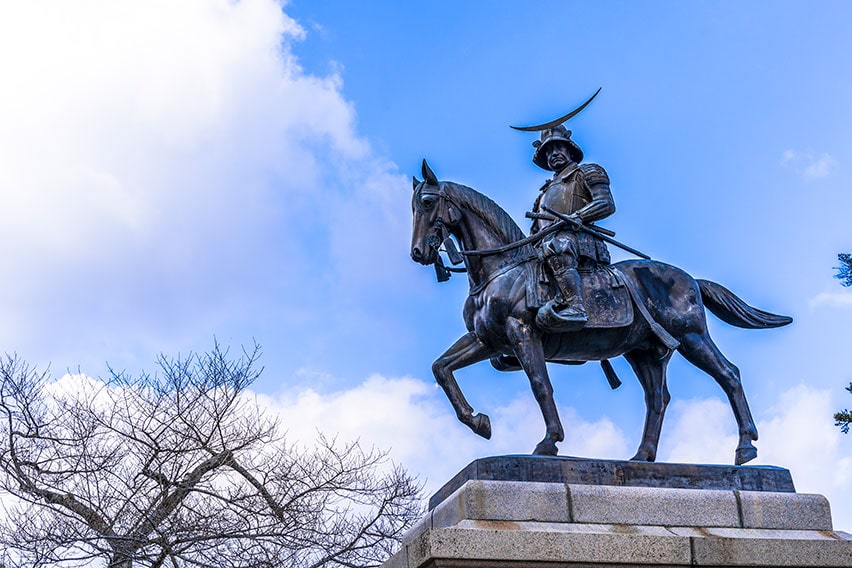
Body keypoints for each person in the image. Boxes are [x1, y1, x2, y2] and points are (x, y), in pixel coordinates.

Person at [529, 124, 615, 331]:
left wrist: (576, 217)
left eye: (558, 147)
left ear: (569, 149)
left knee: (557, 246)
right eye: (548, 151)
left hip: (578, 240)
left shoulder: (587, 172)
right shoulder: (543, 193)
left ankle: (576, 306)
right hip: (546, 243)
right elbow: (535, 231)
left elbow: (606, 203)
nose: (553, 154)